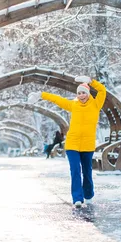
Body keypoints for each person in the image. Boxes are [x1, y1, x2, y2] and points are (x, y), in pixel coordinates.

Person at [28, 76, 106, 208]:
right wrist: (41, 95)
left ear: (88, 94)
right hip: (72, 143)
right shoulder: (73, 105)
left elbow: (102, 90)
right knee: (75, 170)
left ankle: (88, 195)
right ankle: (77, 198)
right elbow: (57, 99)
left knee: (87, 171)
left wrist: (90, 81)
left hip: (88, 144)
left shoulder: (96, 104)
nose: (81, 96)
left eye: (83, 93)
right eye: (79, 93)